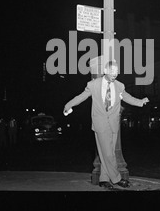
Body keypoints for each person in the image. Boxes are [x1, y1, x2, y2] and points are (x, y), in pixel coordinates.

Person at [63, 60, 149, 190]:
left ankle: (104, 179)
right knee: (108, 153)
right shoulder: (93, 85)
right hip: (100, 123)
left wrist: (140, 102)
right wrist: (68, 105)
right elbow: (81, 97)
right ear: (105, 71)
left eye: (117, 71)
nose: (115, 74)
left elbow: (127, 97)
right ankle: (117, 178)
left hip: (113, 124)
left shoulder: (119, 86)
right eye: (112, 71)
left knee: (108, 153)